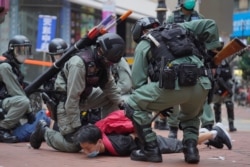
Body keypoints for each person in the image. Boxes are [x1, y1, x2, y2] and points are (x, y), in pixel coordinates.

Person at [123, 17, 221, 164]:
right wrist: (212, 53)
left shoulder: (144, 43)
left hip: (172, 86)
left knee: (132, 103)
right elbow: (211, 24)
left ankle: (151, 149)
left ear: (140, 32)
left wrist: (160, 105)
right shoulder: (180, 27)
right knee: (190, 116)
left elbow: (139, 84)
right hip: (202, 84)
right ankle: (191, 151)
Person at [29, 32, 125, 153]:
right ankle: (44, 132)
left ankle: (106, 129)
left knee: (112, 97)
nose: (109, 64)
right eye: (108, 61)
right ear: (100, 51)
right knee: (75, 144)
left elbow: (110, 87)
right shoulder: (78, 64)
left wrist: (123, 104)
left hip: (83, 98)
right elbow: (72, 99)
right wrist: (78, 128)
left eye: (111, 63)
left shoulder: (104, 62)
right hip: (65, 103)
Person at [74, 110, 232, 158]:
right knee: (180, 144)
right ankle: (204, 133)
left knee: (182, 146)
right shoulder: (103, 139)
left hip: (149, 142)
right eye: (84, 149)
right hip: (146, 139)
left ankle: (214, 132)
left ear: (99, 142)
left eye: (88, 148)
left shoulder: (119, 145)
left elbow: (135, 139)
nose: (86, 152)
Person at [164, 0, 215, 139]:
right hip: (177, 58)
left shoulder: (201, 18)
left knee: (202, 89)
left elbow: (207, 39)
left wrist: (211, 58)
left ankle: (208, 124)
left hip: (197, 58)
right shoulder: (172, 18)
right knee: (173, 91)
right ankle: (173, 127)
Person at [0, 35, 36, 143]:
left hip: (4, 100)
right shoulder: (5, 67)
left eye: (26, 50)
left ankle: (9, 126)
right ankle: (2, 129)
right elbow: (15, 91)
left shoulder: (14, 66)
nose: (23, 54)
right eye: (20, 50)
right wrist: (29, 111)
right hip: (2, 101)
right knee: (23, 102)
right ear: (12, 50)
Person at [213, 60, 237, 132]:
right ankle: (218, 125)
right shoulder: (215, 59)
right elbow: (217, 77)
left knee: (229, 105)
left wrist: (229, 89)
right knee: (216, 106)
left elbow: (229, 76)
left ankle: (231, 124)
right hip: (217, 87)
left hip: (226, 89)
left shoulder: (227, 61)